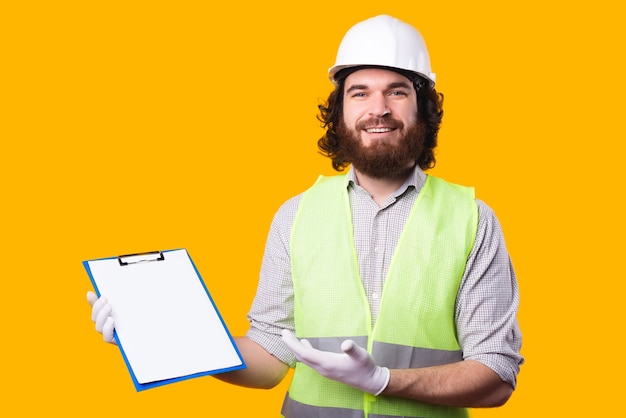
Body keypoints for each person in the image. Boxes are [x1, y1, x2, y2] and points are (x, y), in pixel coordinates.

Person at [88, 14, 523, 417]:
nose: (379, 108)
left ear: (422, 110)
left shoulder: (472, 220)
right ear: (339, 113)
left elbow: (496, 375)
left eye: (397, 91)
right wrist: (166, 341)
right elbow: (269, 357)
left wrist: (384, 381)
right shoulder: (295, 216)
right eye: (360, 92)